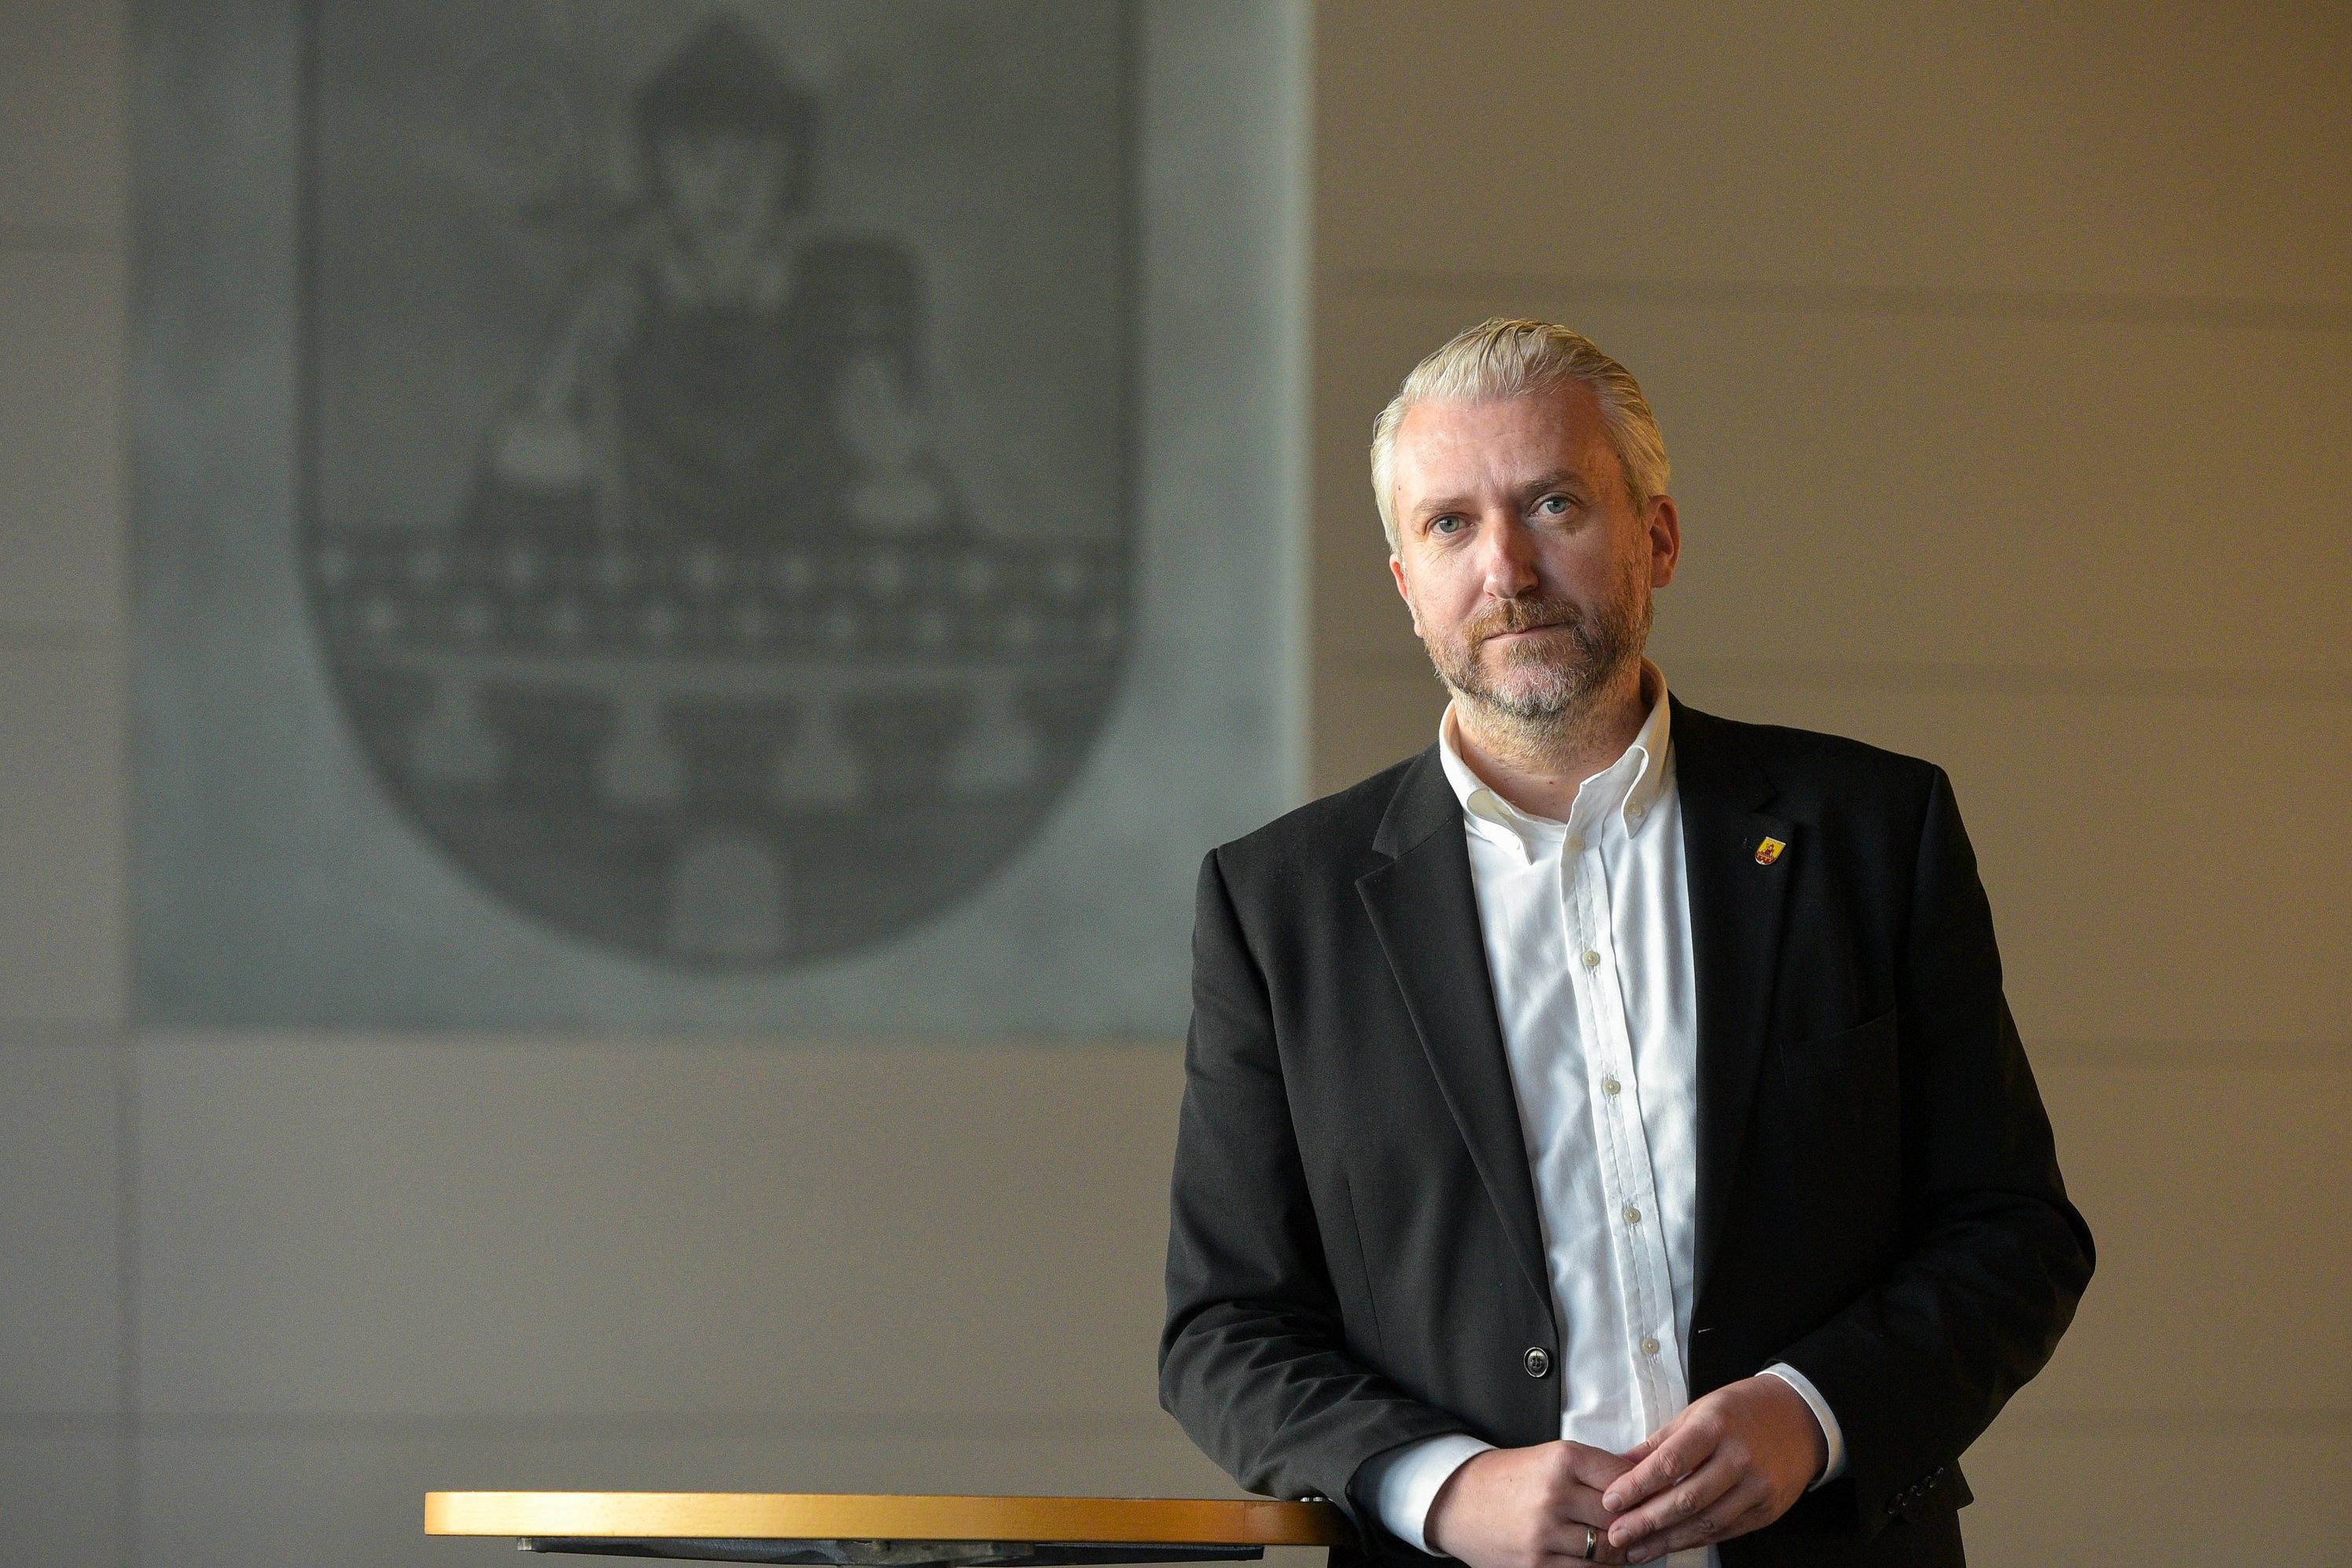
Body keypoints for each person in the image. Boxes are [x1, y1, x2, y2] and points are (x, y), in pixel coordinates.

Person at [1159, 320, 2093, 1568]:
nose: (1508, 568)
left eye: (1554, 503)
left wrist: (1812, 1414)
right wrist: (1444, 1488)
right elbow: (1225, 1329)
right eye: (1449, 525)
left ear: (1657, 535)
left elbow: (2013, 1232)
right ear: (1405, 583)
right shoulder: (1282, 905)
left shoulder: (1871, 835)